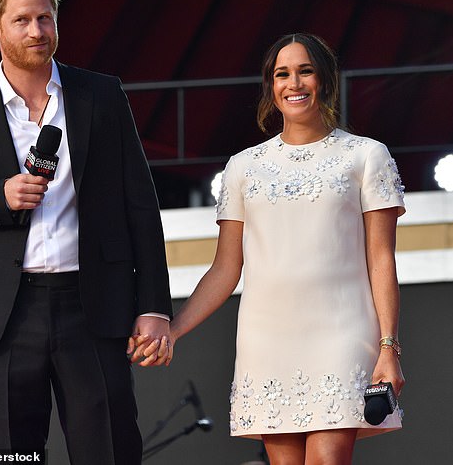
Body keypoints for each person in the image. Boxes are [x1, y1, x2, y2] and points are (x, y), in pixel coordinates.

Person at [0, 0, 172, 465]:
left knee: (113, 453)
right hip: (4, 319)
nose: (37, 31)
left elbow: (141, 206)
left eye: (46, 19)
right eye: (22, 20)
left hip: (94, 307)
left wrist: (155, 306)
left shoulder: (101, 95)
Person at [137, 33, 406, 464]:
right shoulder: (244, 167)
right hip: (267, 343)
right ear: (271, 85)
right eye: (282, 73)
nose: (294, 83)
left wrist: (389, 348)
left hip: (342, 333)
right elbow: (225, 269)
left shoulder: (367, 156)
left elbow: (381, 260)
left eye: (306, 71)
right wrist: (174, 327)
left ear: (325, 80)